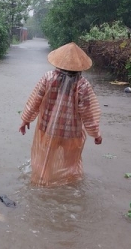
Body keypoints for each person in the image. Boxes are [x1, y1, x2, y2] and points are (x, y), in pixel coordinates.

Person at [19, 42, 102, 187]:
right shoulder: (82, 85)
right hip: (71, 133)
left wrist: (26, 120)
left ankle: (42, 184)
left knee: (45, 162)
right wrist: (96, 134)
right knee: (71, 166)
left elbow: (35, 101)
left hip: (48, 130)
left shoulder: (48, 78)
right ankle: (69, 189)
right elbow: (88, 113)